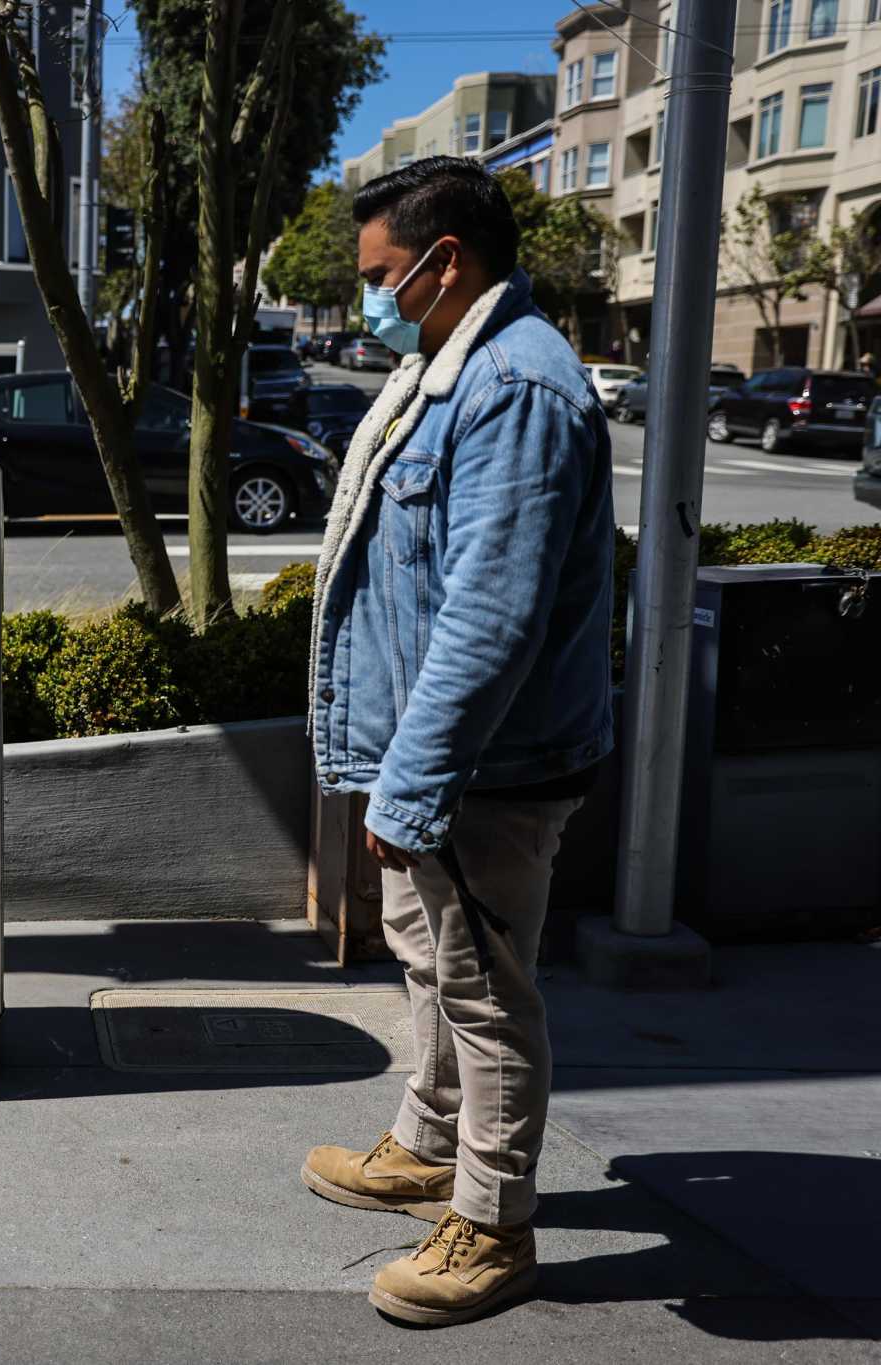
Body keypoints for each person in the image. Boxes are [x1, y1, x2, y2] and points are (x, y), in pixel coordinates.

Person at [298, 157, 614, 1327]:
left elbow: (492, 609)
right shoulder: (444, 361)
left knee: (484, 992)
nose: (368, 298)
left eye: (381, 276)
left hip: (486, 766)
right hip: (429, 756)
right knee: (431, 962)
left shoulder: (514, 386)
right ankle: (428, 1148)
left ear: (444, 262)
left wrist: (413, 782)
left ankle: (489, 1224)